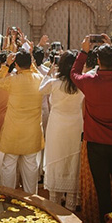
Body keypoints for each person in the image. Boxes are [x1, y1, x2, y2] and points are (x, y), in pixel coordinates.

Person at [70, 36, 112, 223]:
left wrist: (83, 51)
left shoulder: (89, 82)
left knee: (103, 189)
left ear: (97, 61)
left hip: (96, 144)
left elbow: (73, 72)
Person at [0, 48, 45, 193]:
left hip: (13, 132)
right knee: (31, 168)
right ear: (31, 64)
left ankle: (8, 198)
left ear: (16, 65)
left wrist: (6, 64)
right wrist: (30, 63)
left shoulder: (12, 80)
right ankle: (32, 201)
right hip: (32, 132)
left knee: (8, 167)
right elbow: (35, 73)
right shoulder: (40, 79)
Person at [40, 50, 84, 210]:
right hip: (76, 125)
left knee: (56, 158)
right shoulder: (81, 83)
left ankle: (54, 202)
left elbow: (39, 90)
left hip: (57, 125)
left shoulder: (54, 83)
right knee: (73, 161)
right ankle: (72, 203)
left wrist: (49, 73)